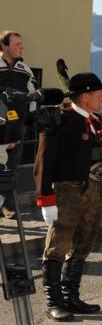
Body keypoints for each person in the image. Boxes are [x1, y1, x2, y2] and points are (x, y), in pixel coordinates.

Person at [33, 72, 102, 321]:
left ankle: (70, 296)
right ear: (85, 96)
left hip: (93, 189)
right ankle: (54, 301)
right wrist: (46, 199)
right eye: (98, 94)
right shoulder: (60, 120)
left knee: (84, 243)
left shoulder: (94, 122)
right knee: (58, 245)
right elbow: (43, 161)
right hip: (68, 191)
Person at [0, 30, 37, 219]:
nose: (21, 48)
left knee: (11, 166)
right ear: (4, 46)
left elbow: (33, 94)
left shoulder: (25, 69)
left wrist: (30, 116)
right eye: (17, 44)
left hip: (17, 127)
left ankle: (8, 206)